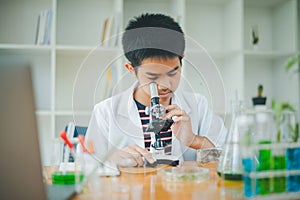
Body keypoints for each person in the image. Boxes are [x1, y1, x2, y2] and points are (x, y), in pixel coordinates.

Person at [85, 13, 227, 167]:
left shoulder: (198, 105)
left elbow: (229, 157)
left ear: (181, 61)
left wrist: (194, 140)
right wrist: (111, 159)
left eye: (173, 73)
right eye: (153, 77)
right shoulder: (105, 111)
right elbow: (86, 167)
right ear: (131, 69)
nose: (165, 85)